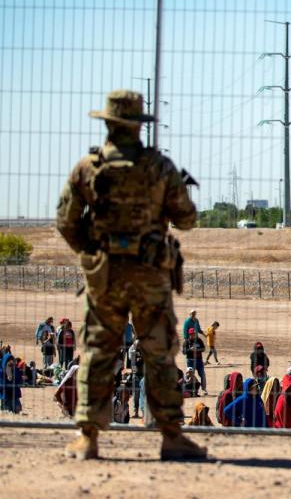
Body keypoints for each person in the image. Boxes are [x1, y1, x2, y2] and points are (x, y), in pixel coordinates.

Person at [56, 90, 205, 461]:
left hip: (105, 274)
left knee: (98, 352)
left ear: (107, 122)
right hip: (150, 274)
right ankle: (171, 435)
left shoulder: (88, 168)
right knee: (159, 353)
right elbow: (186, 218)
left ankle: (88, 437)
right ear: (140, 125)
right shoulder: (160, 167)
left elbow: (65, 221)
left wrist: (91, 252)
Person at [181, 328, 206, 394]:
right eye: (192, 334)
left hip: (199, 361)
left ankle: (204, 389)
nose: (194, 335)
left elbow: (203, 349)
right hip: (190, 361)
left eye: (195, 334)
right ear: (190, 334)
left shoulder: (199, 340)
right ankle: (190, 390)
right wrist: (190, 349)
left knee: (202, 375)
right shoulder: (186, 342)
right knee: (190, 376)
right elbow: (184, 352)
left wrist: (197, 350)